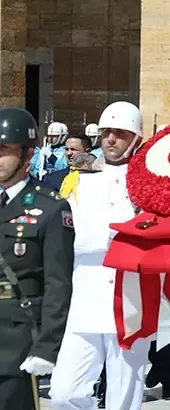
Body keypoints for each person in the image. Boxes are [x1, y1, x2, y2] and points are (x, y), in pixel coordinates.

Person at [49, 101, 148, 410]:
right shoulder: (78, 181)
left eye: (120, 133)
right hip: (85, 300)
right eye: (106, 132)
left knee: (124, 398)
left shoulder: (148, 185)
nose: (111, 139)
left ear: (136, 139)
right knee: (64, 392)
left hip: (131, 300)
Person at [0, 108, 75, 410]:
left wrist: (46, 347)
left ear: (28, 154)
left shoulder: (50, 209)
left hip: (16, 341)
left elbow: (59, 284)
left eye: (4, 149)